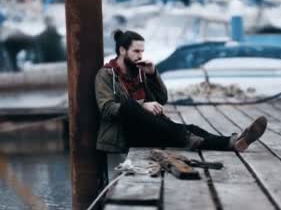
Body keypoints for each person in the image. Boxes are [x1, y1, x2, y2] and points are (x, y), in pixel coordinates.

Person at [94, 29, 268, 153]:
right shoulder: (106, 75)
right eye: (136, 51)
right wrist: (143, 106)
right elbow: (107, 109)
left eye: (142, 51)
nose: (140, 56)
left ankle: (233, 142)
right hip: (124, 135)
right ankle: (194, 140)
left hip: (152, 126)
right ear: (122, 50)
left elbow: (162, 99)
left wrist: (153, 74)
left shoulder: (139, 71)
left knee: (191, 129)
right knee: (129, 106)